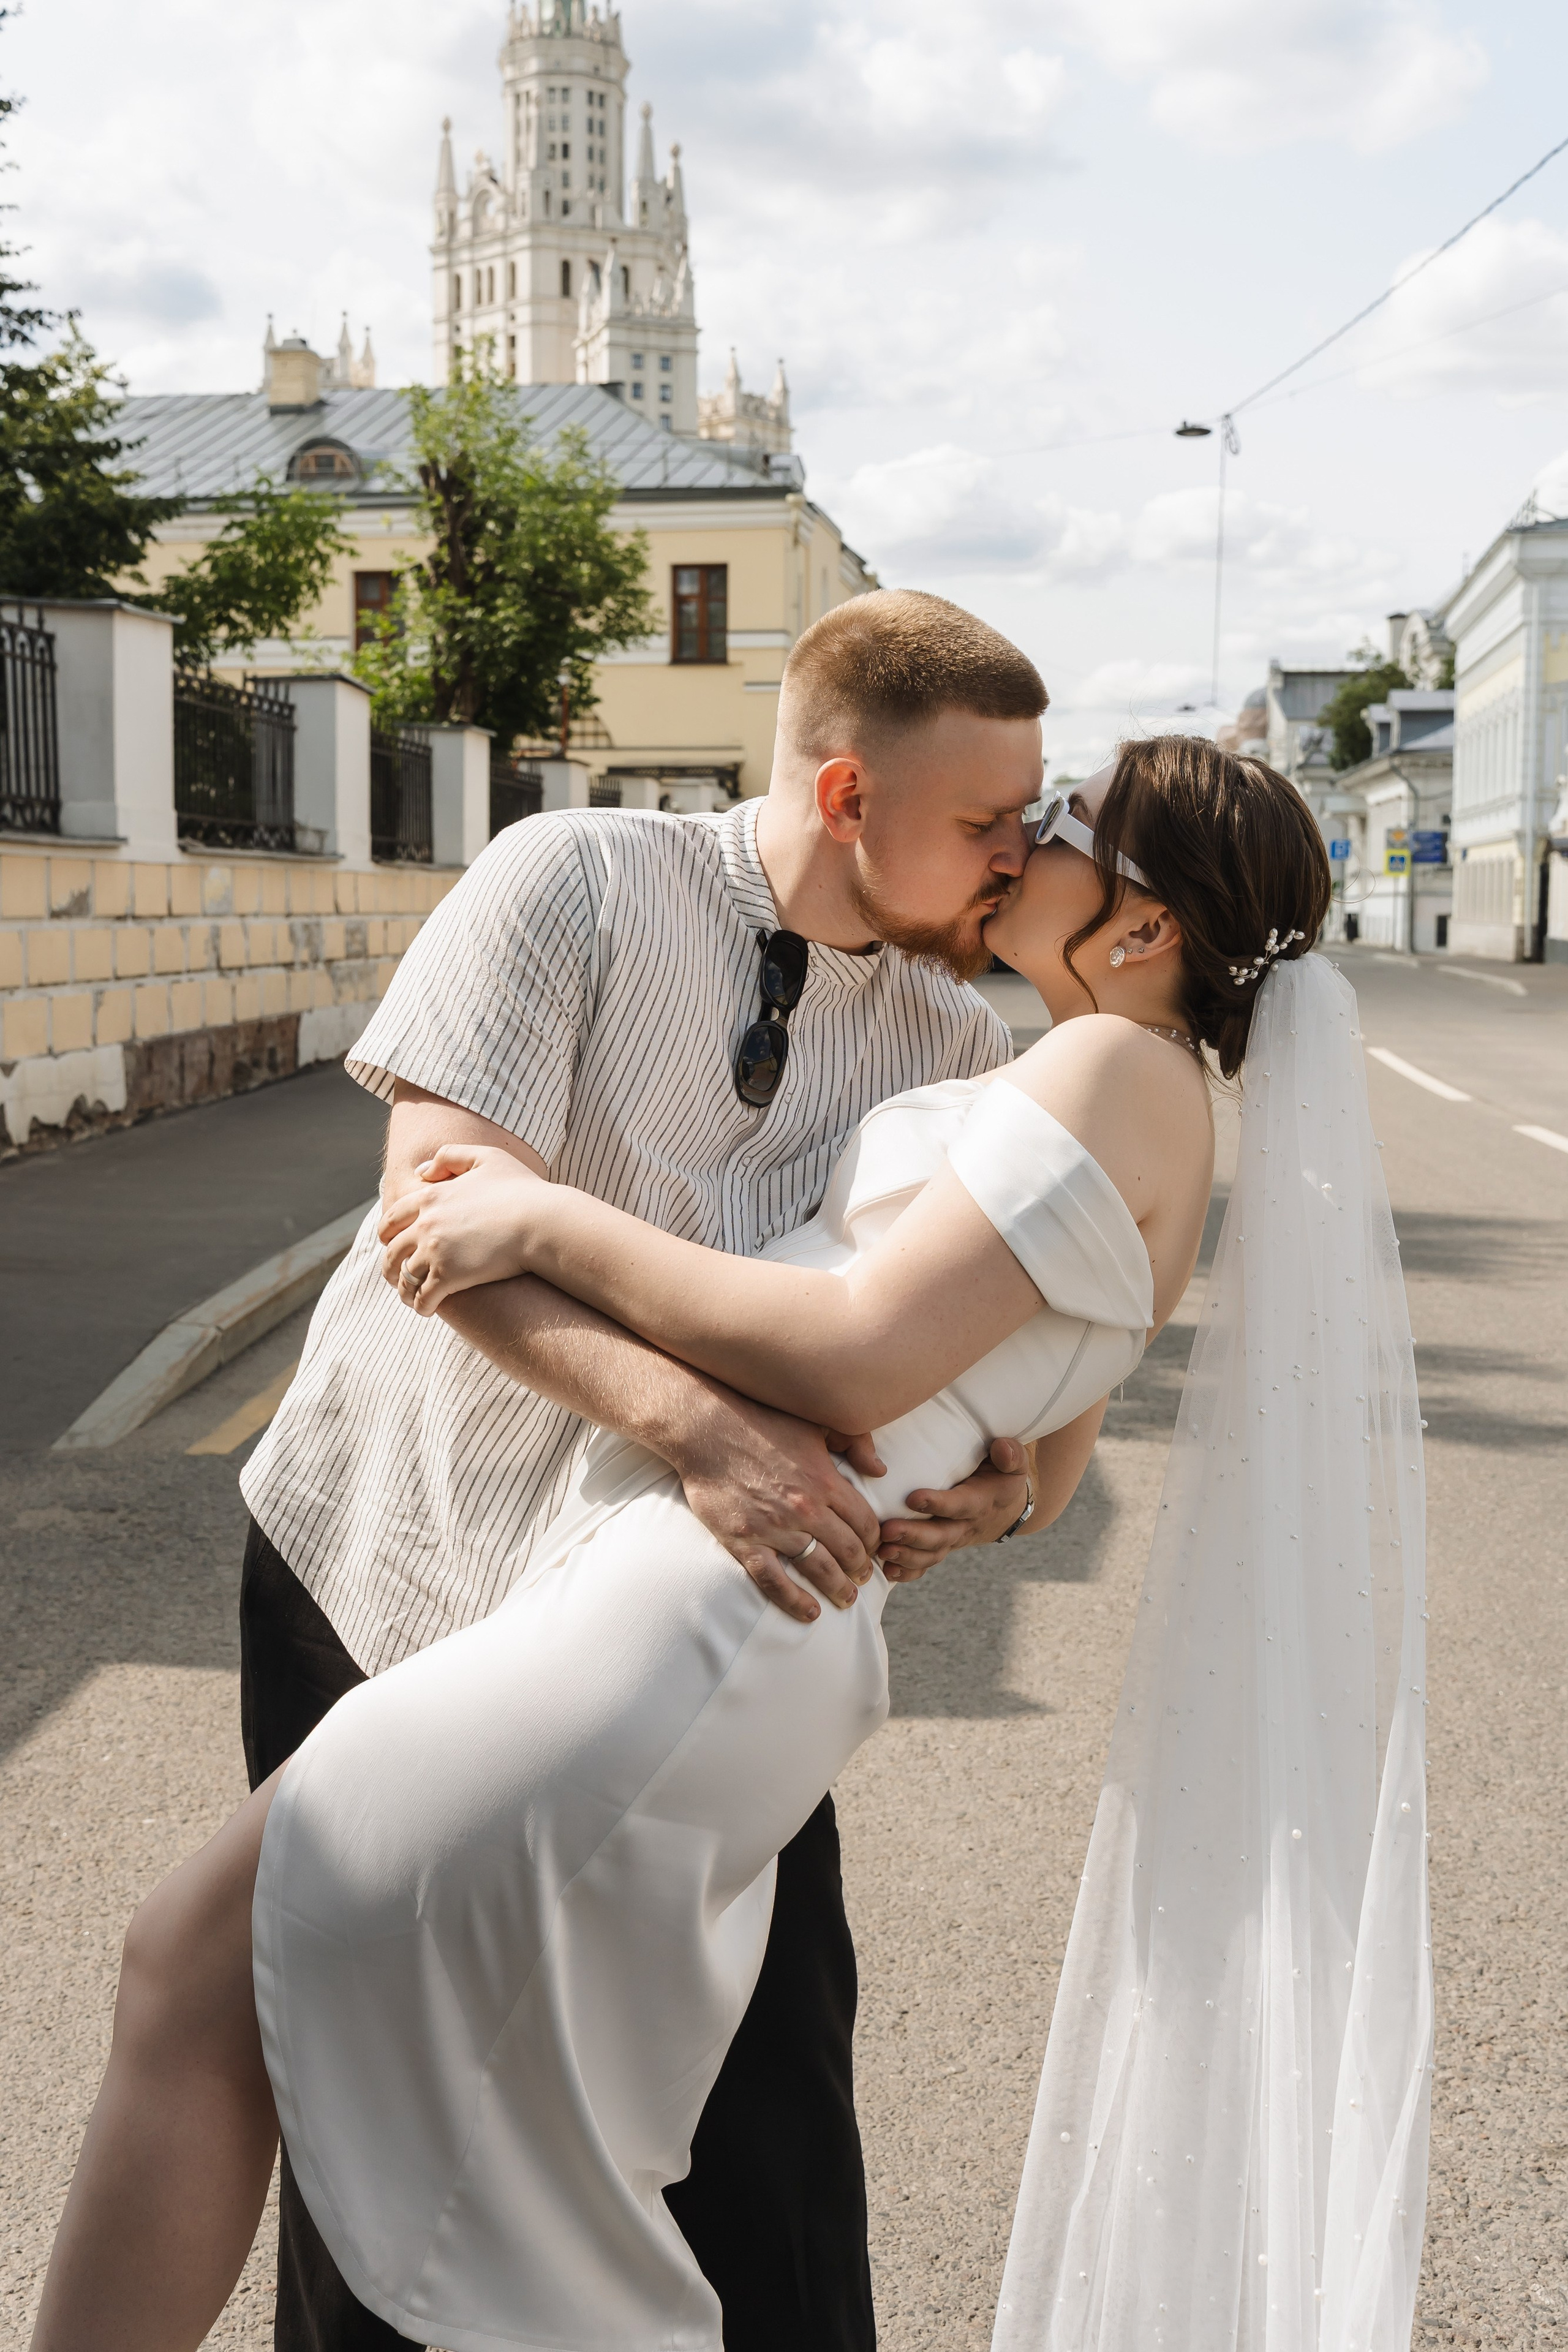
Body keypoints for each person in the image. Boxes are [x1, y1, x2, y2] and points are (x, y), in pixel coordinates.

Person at [31, 734, 1363, 2352]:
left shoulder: (1108, 1076)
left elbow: (864, 1351)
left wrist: (538, 1220)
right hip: (707, 1612)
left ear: (1147, 929)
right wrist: (994, 1492)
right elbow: (1049, 1452)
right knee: (438, 2095)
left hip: (686, 1614)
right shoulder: (1120, 1091)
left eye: (1067, 821)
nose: (1025, 839)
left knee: (239, 1989)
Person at [226, 586, 1050, 2352]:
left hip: (678, 1621)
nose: (1019, 853)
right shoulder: (569, 880)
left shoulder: (964, 1043)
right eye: (987, 821)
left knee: (770, 2104)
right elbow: (432, 1221)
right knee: (375, 2077)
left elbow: (1003, 1318)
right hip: (393, 1560)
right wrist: (708, 1433)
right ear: (847, 799)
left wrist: (1025, 1476)